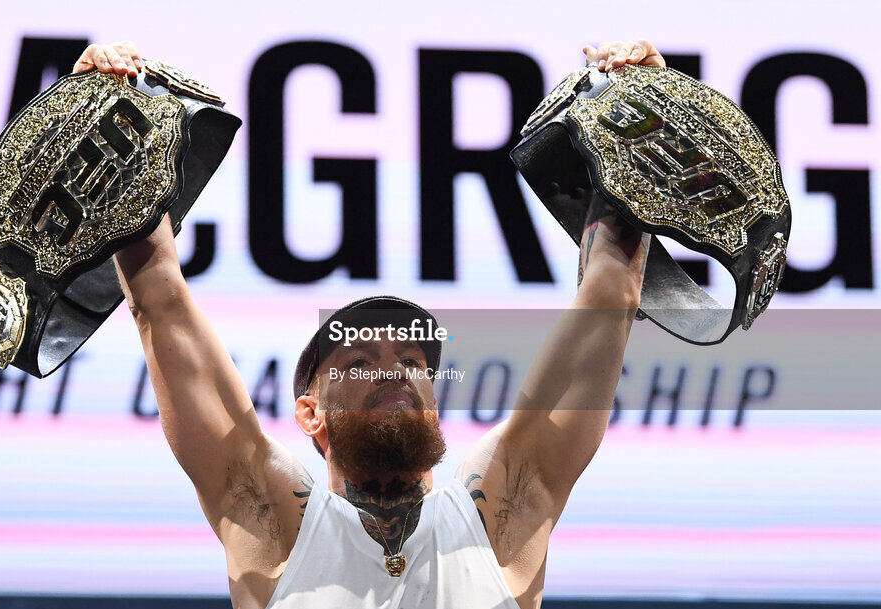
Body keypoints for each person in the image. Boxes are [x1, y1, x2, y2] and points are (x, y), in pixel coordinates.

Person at [78, 39, 663, 609]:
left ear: (434, 405)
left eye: (412, 362)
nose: (397, 371)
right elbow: (159, 299)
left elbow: (611, 294)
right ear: (310, 413)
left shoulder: (503, 514)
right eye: (359, 362)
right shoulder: (271, 521)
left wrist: (637, 116)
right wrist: (106, 120)